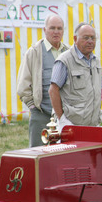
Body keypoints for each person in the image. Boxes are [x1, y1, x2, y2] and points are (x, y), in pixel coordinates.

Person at [17, 14, 69, 147]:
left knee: (64, 153)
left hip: (66, 115)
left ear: (63, 31)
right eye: (52, 28)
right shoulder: (33, 52)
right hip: (41, 114)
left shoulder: (69, 52)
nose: (56, 31)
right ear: (45, 30)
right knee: (38, 154)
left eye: (59, 28)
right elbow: (23, 85)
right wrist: (33, 107)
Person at [49, 22, 102, 131]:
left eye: (93, 38)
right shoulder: (64, 60)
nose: (90, 41)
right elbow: (53, 90)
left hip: (92, 125)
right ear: (75, 38)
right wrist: (62, 119)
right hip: (70, 125)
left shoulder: (96, 61)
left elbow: (98, 89)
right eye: (86, 38)